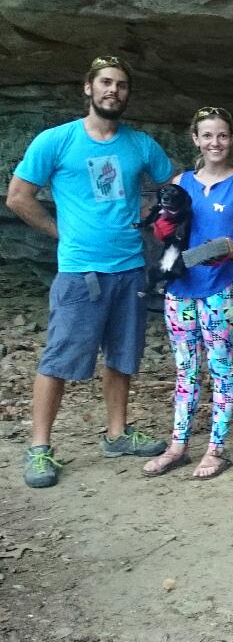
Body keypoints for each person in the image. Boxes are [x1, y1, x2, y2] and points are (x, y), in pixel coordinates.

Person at [7, 55, 174, 488]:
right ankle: (40, 448)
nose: (112, 91)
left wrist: (154, 212)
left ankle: (118, 434)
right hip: (80, 271)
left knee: (123, 356)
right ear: (88, 88)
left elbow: (173, 185)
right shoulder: (57, 141)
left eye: (120, 85)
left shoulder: (139, 144)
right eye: (104, 83)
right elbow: (19, 196)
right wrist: (58, 232)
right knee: (59, 359)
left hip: (130, 267)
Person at [142, 107, 233, 480]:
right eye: (207, 136)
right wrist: (161, 229)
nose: (215, 143)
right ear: (195, 139)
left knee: (221, 366)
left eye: (222, 136)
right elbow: (167, 231)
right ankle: (178, 445)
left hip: (218, 289)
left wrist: (228, 249)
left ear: (232, 138)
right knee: (185, 369)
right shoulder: (182, 181)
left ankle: (216, 447)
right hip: (180, 288)